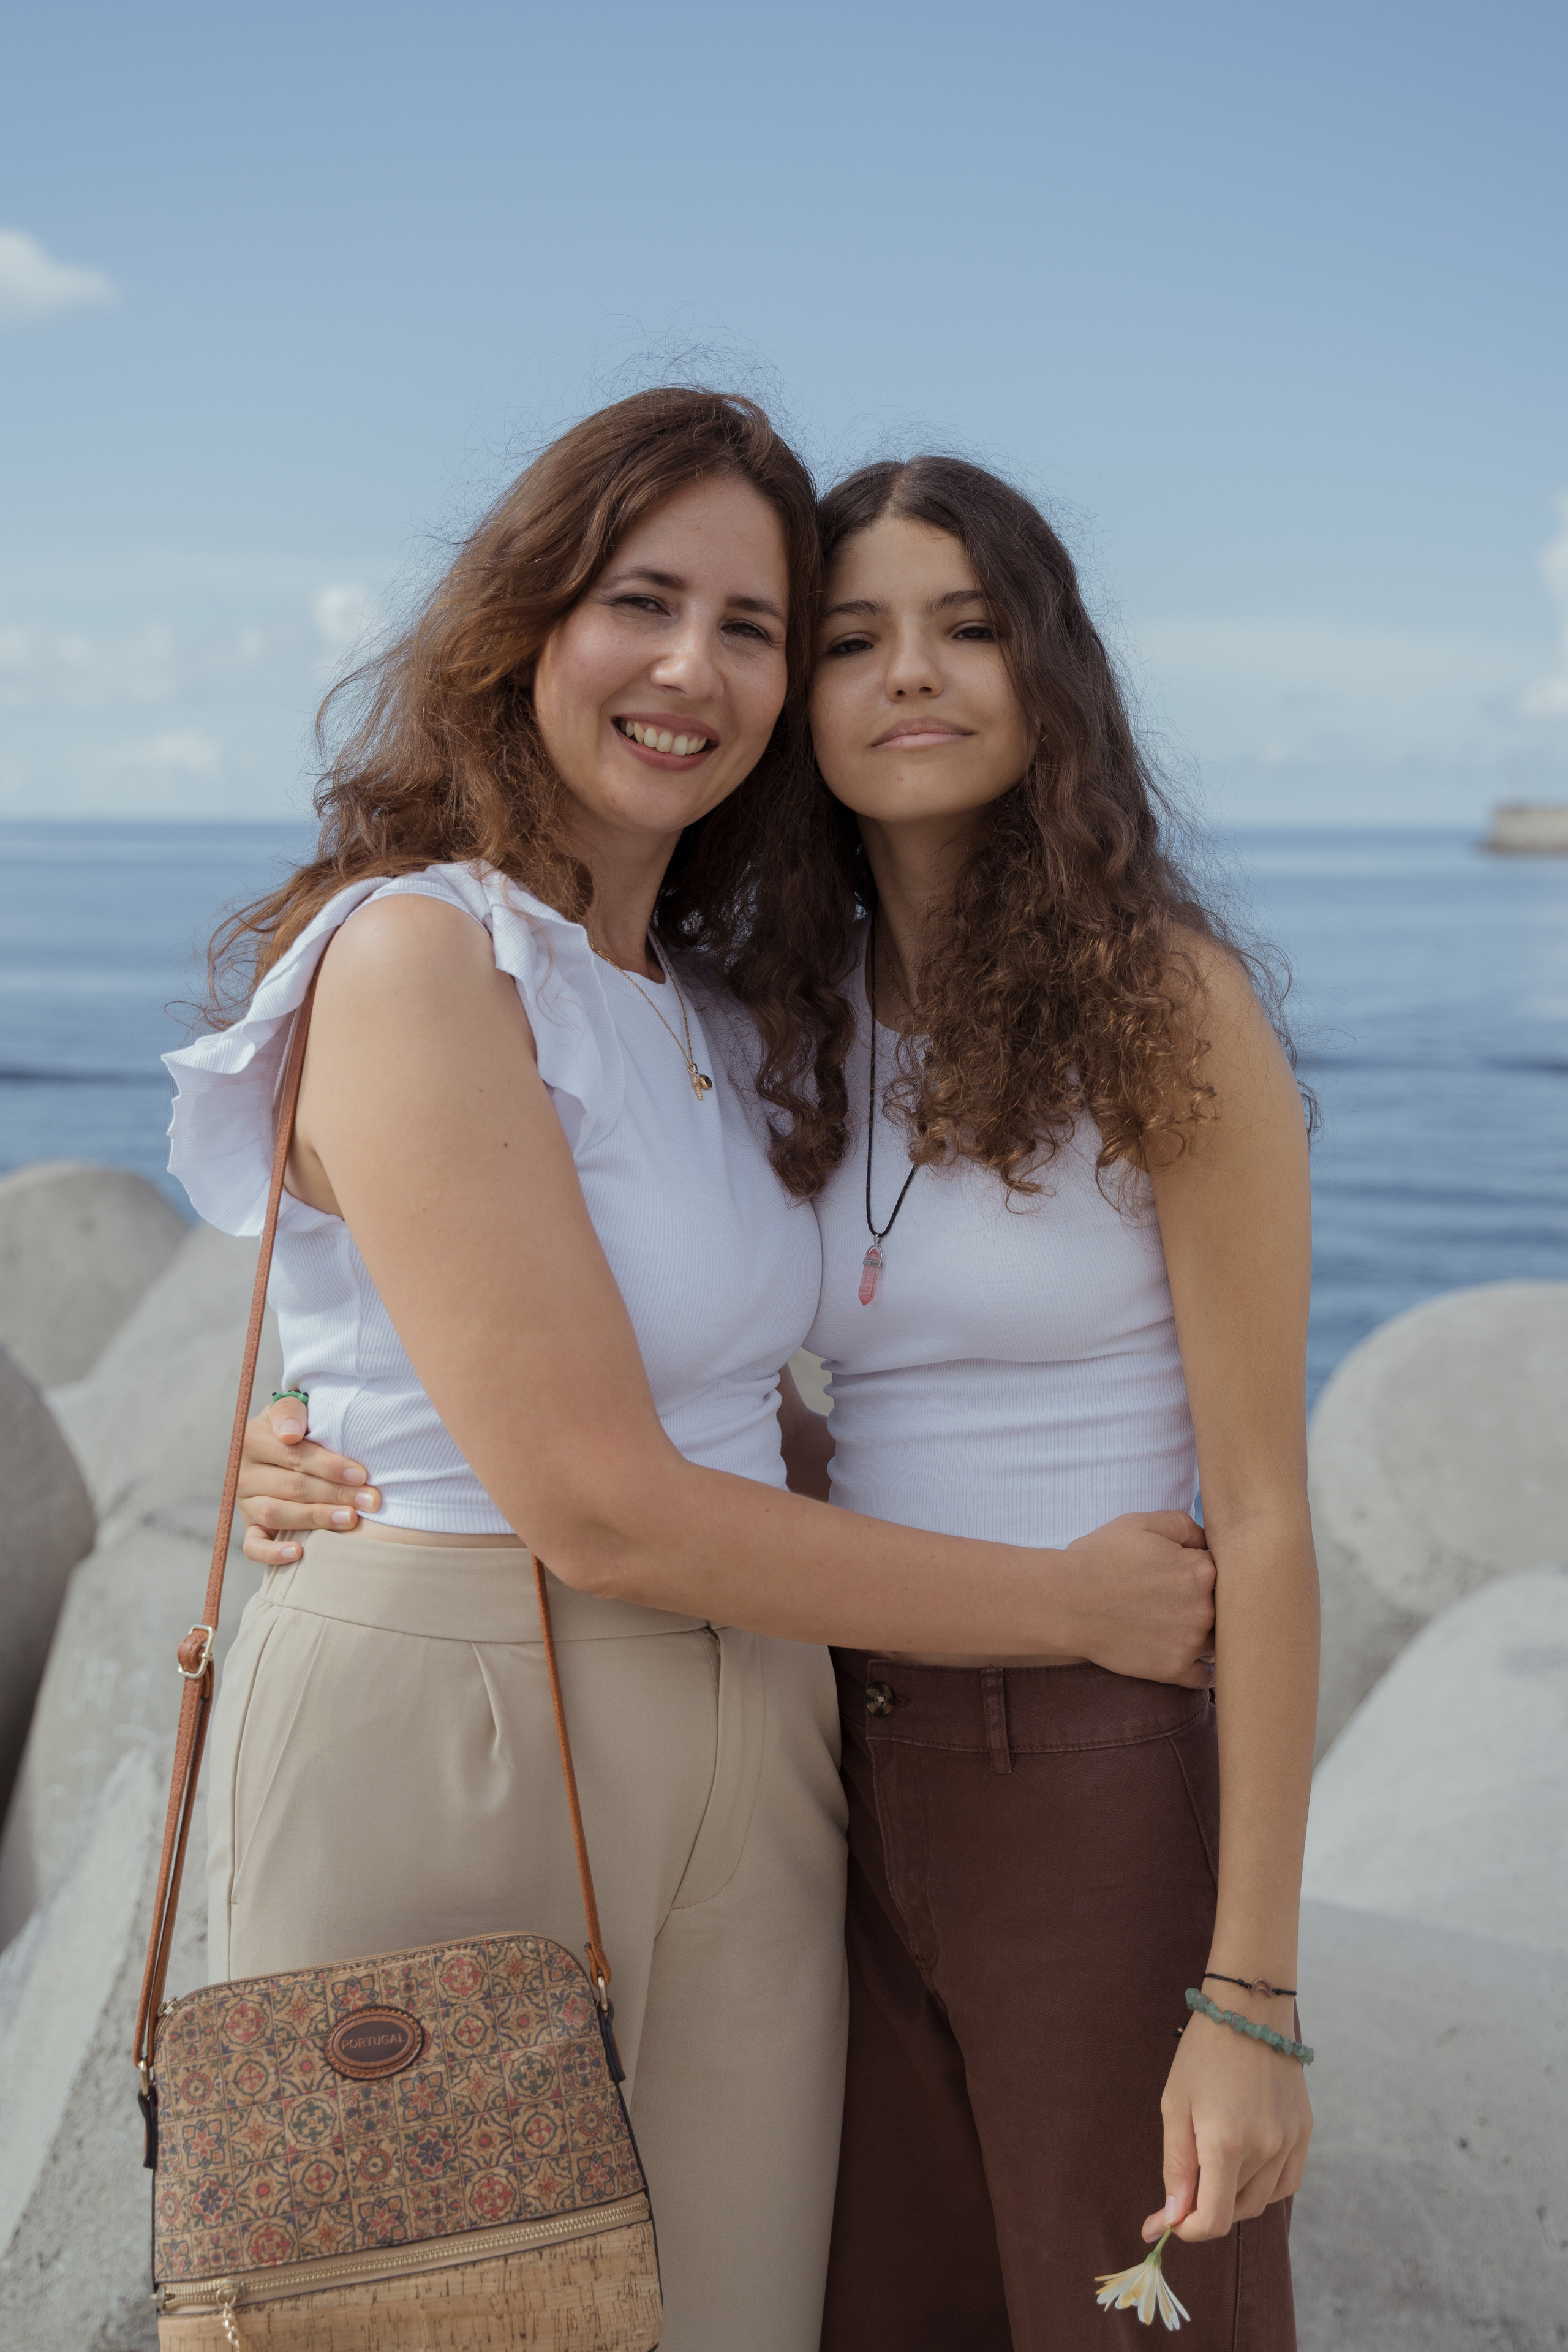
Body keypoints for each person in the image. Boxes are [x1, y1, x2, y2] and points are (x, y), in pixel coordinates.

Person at [179, 388, 1218, 2352]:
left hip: (759, 1725)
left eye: (753, 626)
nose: (693, 669)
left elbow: (734, 1404)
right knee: (425, 2321)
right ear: (521, 629)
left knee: (741, 2314)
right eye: (640, 602)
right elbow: (591, 1498)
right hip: (458, 1707)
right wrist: (1066, 1604)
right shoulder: (421, 955)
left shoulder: (722, 1020)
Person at [731, 455, 1317, 2350]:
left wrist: (1249, 2000)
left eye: (970, 627)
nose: (914, 672)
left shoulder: (1167, 1001)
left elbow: (1274, 1513)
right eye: (853, 637)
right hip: (834, 1748)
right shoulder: (781, 1008)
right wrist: (305, 1445)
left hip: (1097, 1772)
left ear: (1048, 671)